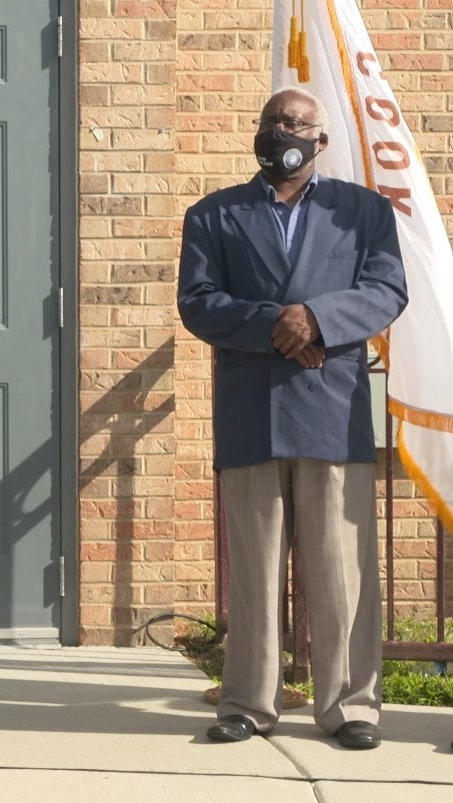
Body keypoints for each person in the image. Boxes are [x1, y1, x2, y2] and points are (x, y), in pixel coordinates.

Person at [178, 86, 407, 751]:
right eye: (272, 120)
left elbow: (385, 288)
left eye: (297, 123)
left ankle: (348, 706)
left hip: (330, 408)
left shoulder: (361, 212)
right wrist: (276, 323)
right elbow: (197, 301)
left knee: (341, 570)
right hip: (250, 409)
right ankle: (248, 702)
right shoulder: (213, 215)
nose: (283, 130)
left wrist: (317, 320)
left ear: (320, 141)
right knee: (253, 569)